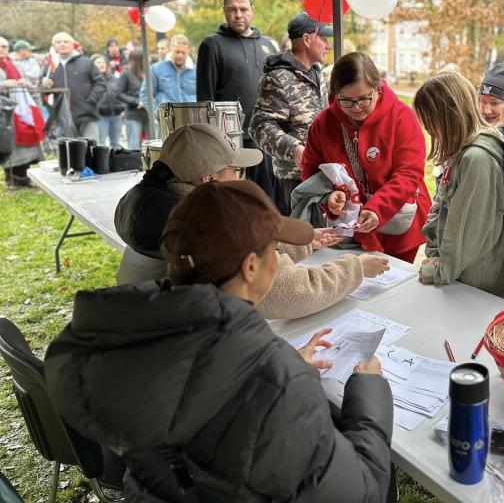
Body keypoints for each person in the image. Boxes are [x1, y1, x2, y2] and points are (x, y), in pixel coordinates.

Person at [45, 179, 394, 502]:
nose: (279, 259)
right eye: (274, 250)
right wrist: (368, 391)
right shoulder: (276, 384)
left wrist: (279, 365)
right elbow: (360, 492)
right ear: (250, 268)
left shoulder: (118, 340)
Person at [114, 122, 389, 317]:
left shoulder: (148, 200)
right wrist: (356, 269)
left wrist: (302, 245)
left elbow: (241, 251)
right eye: (235, 170)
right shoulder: (212, 219)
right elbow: (291, 294)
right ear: (209, 179)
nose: (240, 176)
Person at [300, 51, 432, 264]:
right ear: (335, 95)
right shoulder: (323, 123)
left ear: (378, 88)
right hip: (348, 228)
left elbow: (409, 173)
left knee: (394, 284)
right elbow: (311, 171)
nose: (356, 108)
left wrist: (377, 209)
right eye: (346, 101)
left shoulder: (401, 117)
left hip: (397, 224)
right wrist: (328, 198)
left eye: (364, 99)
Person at [413, 72, 504, 297]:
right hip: (459, 277)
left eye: (432, 122)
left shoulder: (476, 159)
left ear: (449, 116)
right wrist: (436, 254)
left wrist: (439, 269)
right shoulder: (462, 153)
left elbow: (467, 230)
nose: (430, 131)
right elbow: (441, 207)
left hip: (474, 285)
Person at [196, 0, 279, 198]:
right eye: (232, 9)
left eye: (243, 9)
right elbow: (205, 98)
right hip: (230, 139)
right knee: (235, 198)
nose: (238, 15)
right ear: (224, 11)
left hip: (265, 135)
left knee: (266, 196)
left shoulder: (268, 45)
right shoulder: (212, 45)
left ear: (252, 9)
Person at [250, 12, 330, 214]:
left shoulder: (316, 73)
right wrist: (293, 148)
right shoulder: (279, 78)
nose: (328, 45)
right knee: (296, 242)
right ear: (307, 39)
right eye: (323, 38)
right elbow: (259, 126)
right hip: (292, 181)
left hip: (319, 175)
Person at [41, 31, 106, 140]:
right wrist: (45, 87)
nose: (62, 44)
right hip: (63, 119)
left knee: (90, 151)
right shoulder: (50, 67)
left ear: (72, 45)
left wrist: (91, 101)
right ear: (54, 46)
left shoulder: (86, 62)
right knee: (69, 153)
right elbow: (46, 94)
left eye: (66, 41)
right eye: (58, 42)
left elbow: (100, 83)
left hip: (87, 116)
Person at [0, 36, 44, 188]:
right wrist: (3, 84)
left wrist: (24, 82)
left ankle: (23, 178)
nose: (2, 50)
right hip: (3, 115)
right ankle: (12, 180)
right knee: (8, 146)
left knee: (25, 143)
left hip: (18, 112)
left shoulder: (10, 64)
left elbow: (28, 83)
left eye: (4, 47)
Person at [139, 34, 196, 113]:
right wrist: (157, 113)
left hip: (190, 119)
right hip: (166, 120)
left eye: (183, 53)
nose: (180, 55)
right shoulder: (156, 69)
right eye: (177, 52)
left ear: (188, 51)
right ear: (170, 49)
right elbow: (145, 94)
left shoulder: (196, 71)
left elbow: (203, 95)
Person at [116, 50, 148, 150]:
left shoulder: (148, 72)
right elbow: (118, 93)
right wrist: (136, 101)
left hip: (148, 114)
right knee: (134, 146)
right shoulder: (126, 74)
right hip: (133, 114)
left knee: (153, 143)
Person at [92, 54, 124, 149]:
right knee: (101, 143)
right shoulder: (91, 80)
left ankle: (114, 163)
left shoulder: (115, 79)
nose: (102, 64)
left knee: (115, 144)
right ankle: (102, 163)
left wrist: (122, 107)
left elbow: (122, 94)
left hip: (116, 116)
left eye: (103, 62)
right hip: (100, 116)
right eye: (98, 62)